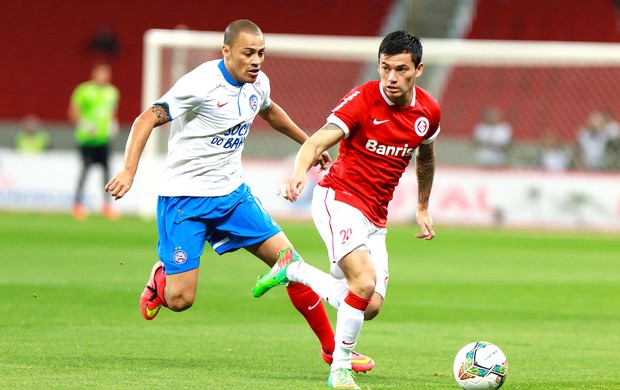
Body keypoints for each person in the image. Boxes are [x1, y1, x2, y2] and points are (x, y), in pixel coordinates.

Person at [103, 19, 374, 374]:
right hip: (184, 200)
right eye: (248, 53)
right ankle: (160, 279)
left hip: (232, 196)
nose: (257, 60)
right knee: (180, 300)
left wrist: (308, 143)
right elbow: (146, 119)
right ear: (226, 52)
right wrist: (128, 169)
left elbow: (271, 112)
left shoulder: (258, 83)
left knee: (290, 264)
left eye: (261, 53)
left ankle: (333, 350)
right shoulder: (200, 84)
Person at [253, 30, 440, 389]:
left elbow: (426, 158)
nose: (391, 78)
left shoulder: (428, 112)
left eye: (401, 70)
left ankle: (294, 269)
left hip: (375, 216)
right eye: (385, 68)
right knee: (364, 282)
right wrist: (297, 173)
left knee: (367, 306)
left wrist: (422, 206)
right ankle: (339, 368)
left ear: (419, 69)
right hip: (338, 199)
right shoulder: (363, 99)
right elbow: (319, 139)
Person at [68, 62, 120, 220]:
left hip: (103, 139)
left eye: (106, 74)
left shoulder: (113, 92)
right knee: (85, 170)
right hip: (87, 139)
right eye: (101, 73)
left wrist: (113, 125)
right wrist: (83, 124)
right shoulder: (83, 90)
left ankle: (107, 205)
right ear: (94, 74)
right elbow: (73, 112)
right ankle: (77, 204)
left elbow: (112, 113)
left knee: (106, 172)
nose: (104, 77)